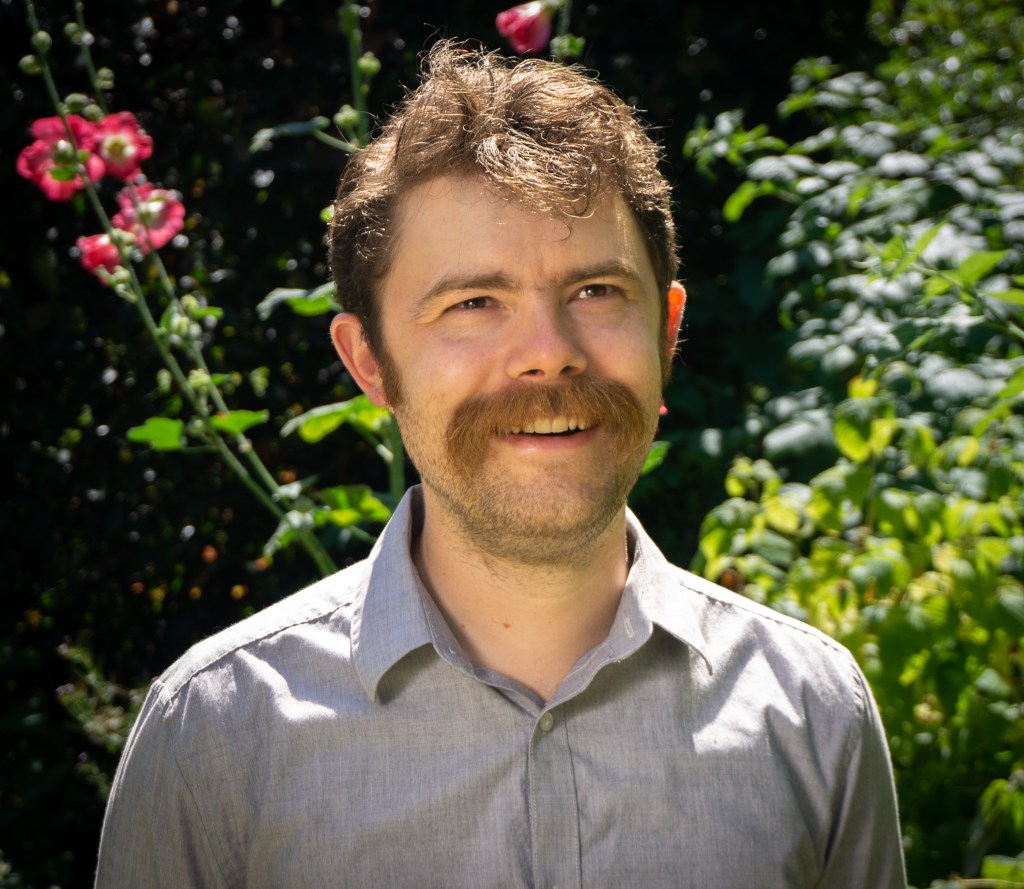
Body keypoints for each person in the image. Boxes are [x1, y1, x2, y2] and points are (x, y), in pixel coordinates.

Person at [95, 41, 906, 888]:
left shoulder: (815, 716)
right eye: (475, 303)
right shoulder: (219, 734)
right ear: (369, 360)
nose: (549, 355)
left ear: (667, 333)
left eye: (596, 292)